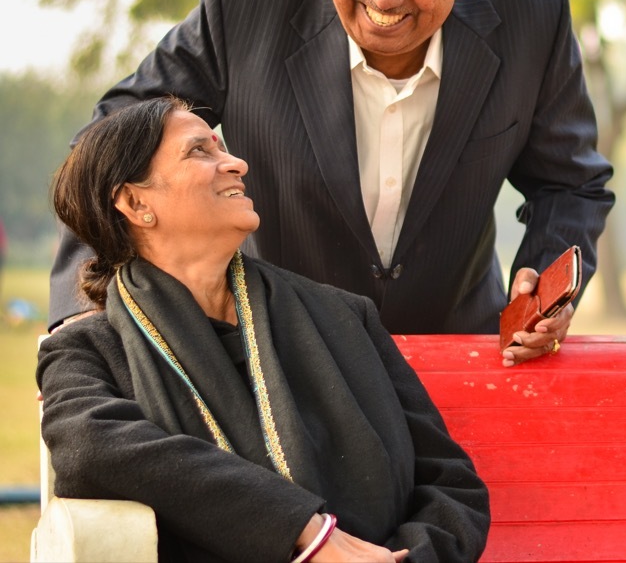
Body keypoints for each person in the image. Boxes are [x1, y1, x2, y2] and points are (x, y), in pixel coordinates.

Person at [49, 0, 614, 365]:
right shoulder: (245, 1)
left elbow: (570, 183)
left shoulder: (533, 20)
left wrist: (546, 285)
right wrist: (80, 320)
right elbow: (104, 153)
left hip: (457, 350)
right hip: (281, 357)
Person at [38, 97, 489, 562]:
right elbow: (90, 448)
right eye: (200, 151)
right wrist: (306, 531)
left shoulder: (345, 316)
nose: (236, 162)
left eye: (223, 147)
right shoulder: (87, 349)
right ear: (135, 202)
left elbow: (450, 482)